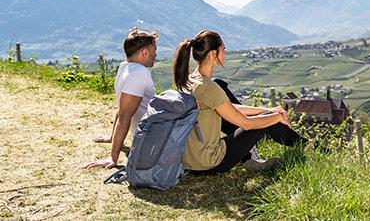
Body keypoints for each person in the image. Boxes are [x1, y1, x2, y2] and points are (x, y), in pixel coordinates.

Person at [174, 30, 305, 174]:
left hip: (190, 161)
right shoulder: (209, 88)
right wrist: (277, 117)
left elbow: (228, 108)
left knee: (264, 115)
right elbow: (246, 124)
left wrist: (268, 111)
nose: (225, 52)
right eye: (223, 48)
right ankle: (307, 146)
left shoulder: (192, 80)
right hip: (209, 164)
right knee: (262, 122)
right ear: (213, 54)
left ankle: (301, 145)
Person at [85, 30, 158, 169]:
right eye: (154, 50)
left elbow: (122, 107)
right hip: (149, 136)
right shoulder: (138, 73)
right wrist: (113, 157)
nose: (156, 54)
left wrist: (112, 137)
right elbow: (125, 114)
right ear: (145, 52)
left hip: (143, 131)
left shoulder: (125, 67)